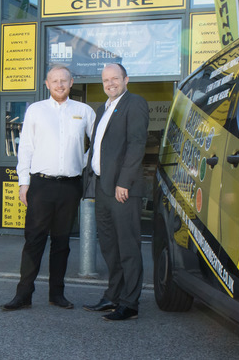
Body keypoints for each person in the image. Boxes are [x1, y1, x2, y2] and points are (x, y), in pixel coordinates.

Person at [0, 64, 95, 311]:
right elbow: (26, 148)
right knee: (34, 241)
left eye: (64, 80)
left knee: (62, 243)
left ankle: (57, 294)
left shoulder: (83, 111)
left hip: (70, 186)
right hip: (41, 185)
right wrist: (24, 183)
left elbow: (99, 142)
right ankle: (23, 295)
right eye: (55, 81)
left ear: (71, 82)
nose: (60, 85)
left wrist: (82, 161)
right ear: (47, 84)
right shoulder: (36, 110)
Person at [82, 63, 149, 321]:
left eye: (115, 79)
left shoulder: (135, 103)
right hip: (102, 186)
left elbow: (136, 145)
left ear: (126, 79)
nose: (110, 83)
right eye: (106, 80)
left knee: (128, 246)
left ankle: (130, 303)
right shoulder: (103, 108)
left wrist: (124, 182)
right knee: (109, 246)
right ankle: (113, 296)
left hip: (122, 189)